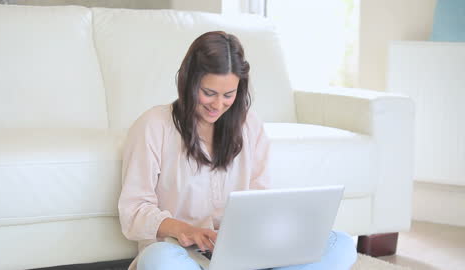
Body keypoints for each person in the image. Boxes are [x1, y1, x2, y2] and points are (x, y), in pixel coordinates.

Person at [118, 31, 357, 270]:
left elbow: (259, 199)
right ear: (189, 81)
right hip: (180, 253)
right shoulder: (153, 125)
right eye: (208, 93)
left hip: (243, 256)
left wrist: (267, 236)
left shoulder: (249, 125)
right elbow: (134, 212)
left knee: (342, 244)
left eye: (228, 95)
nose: (218, 104)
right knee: (158, 260)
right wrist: (187, 231)